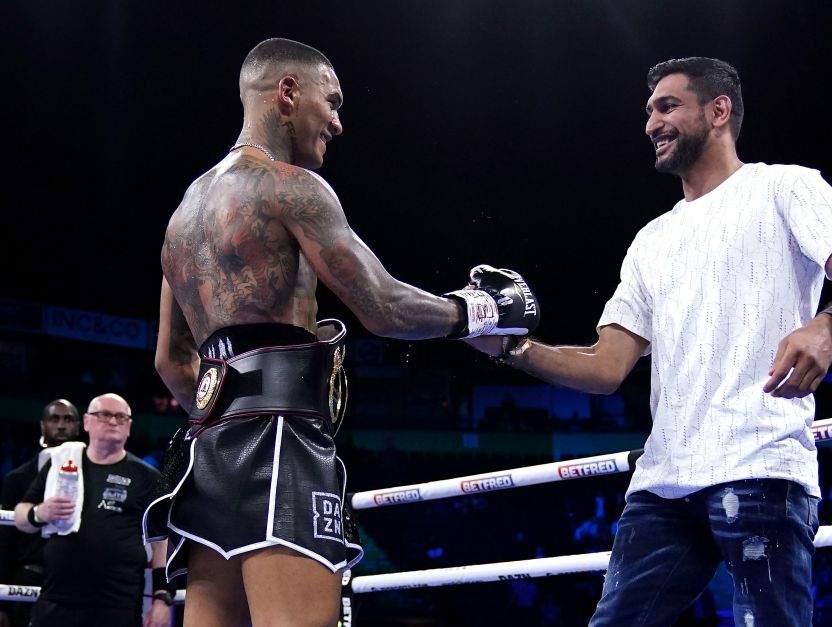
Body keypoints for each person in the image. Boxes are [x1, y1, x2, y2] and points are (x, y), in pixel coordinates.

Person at [468, 56, 832, 625]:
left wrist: (830, 324)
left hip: (759, 464)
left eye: (667, 106)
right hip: (663, 485)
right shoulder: (653, 238)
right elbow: (606, 366)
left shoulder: (784, 187)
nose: (650, 123)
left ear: (718, 111)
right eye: (649, 111)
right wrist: (511, 348)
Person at [143, 37, 538, 627]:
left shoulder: (182, 217)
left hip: (207, 452)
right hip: (282, 438)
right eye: (332, 101)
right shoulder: (291, 187)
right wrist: (476, 309)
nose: (338, 121)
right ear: (287, 92)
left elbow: (172, 365)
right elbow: (379, 305)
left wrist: (225, 408)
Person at [13, 393, 170, 627]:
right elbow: (20, 516)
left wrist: (162, 597)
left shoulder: (147, 477)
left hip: (118, 604)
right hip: (56, 599)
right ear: (86, 422)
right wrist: (40, 513)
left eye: (121, 417)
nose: (114, 421)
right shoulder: (61, 463)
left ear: (129, 426)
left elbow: (162, 542)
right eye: (105, 415)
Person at [0, 399, 81, 627]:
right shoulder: (17, 479)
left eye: (68, 419)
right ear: (43, 426)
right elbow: (6, 543)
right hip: (30, 575)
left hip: (75, 576)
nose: (61, 425)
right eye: (54, 419)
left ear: (78, 426)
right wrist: (2, 605)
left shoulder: (95, 476)